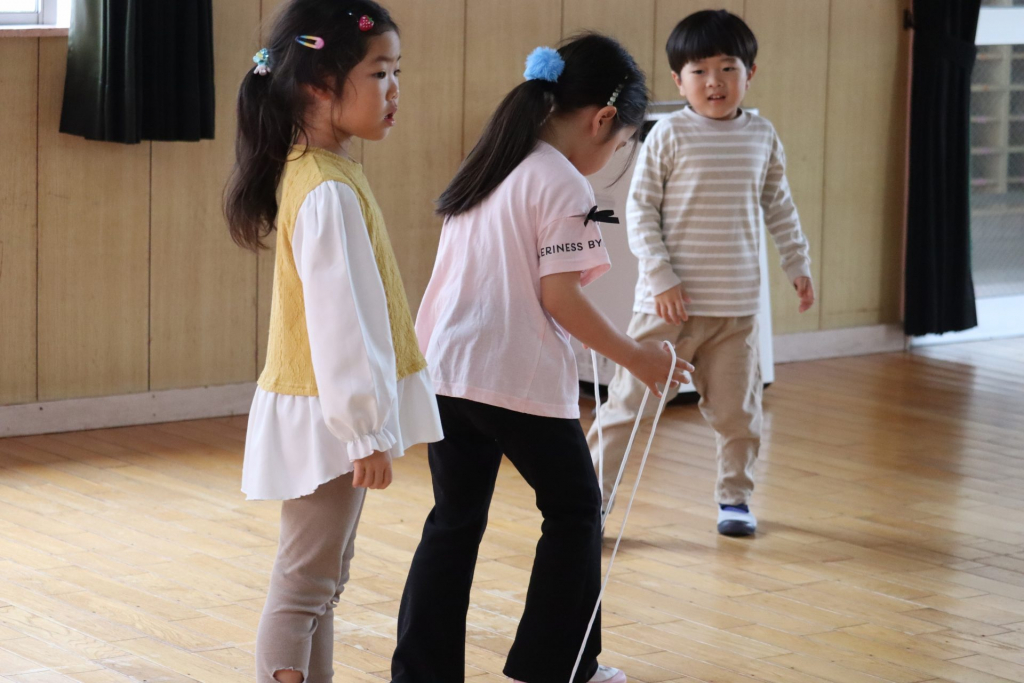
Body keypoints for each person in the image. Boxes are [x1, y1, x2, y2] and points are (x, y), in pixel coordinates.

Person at [391, 35, 691, 683]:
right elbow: (560, 298)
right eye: (621, 144)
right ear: (602, 119)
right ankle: (560, 667)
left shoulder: (493, 161)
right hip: (511, 376)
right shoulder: (560, 181)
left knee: (453, 521)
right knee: (576, 510)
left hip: (446, 371)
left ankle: (421, 674)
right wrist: (639, 357)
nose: (613, 156)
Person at [223, 2, 442, 680]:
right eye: (379, 72)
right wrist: (363, 431)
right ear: (319, 84)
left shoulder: (324, 171)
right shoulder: (326, 190)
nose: (394, 89)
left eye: (397, 72)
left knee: (322, 582)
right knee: (305, 586)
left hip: (329, 415)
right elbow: (341, 322)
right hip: (330, 419)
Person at [589, 9, 815, 538]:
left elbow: (779, 206)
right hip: (666, 307)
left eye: (728, 68)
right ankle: (589, 504)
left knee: (739, 414)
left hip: (736, 310)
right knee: (628, 407)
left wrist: (797, 263)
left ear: (750, 73)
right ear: (678, 80)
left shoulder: (761, 136)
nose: (715, 82)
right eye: (700, 71)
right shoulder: (669, 134)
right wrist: (661, 276)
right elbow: (641, 210)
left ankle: (735, 498)